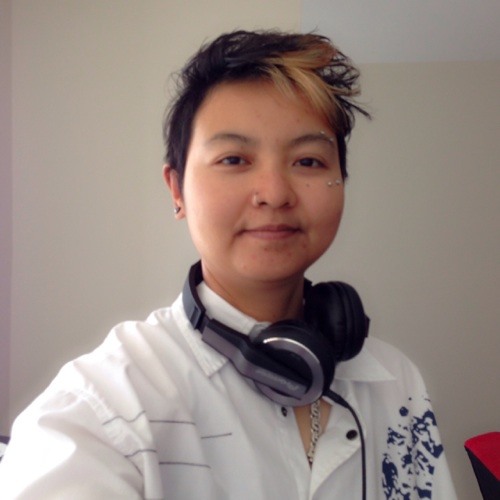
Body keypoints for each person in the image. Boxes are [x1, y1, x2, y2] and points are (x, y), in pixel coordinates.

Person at [0, 30, 457, 499]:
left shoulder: (394, 381)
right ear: (176, 190)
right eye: (234, 158)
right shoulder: (102, 407)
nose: (274, 193)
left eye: (308, 161)